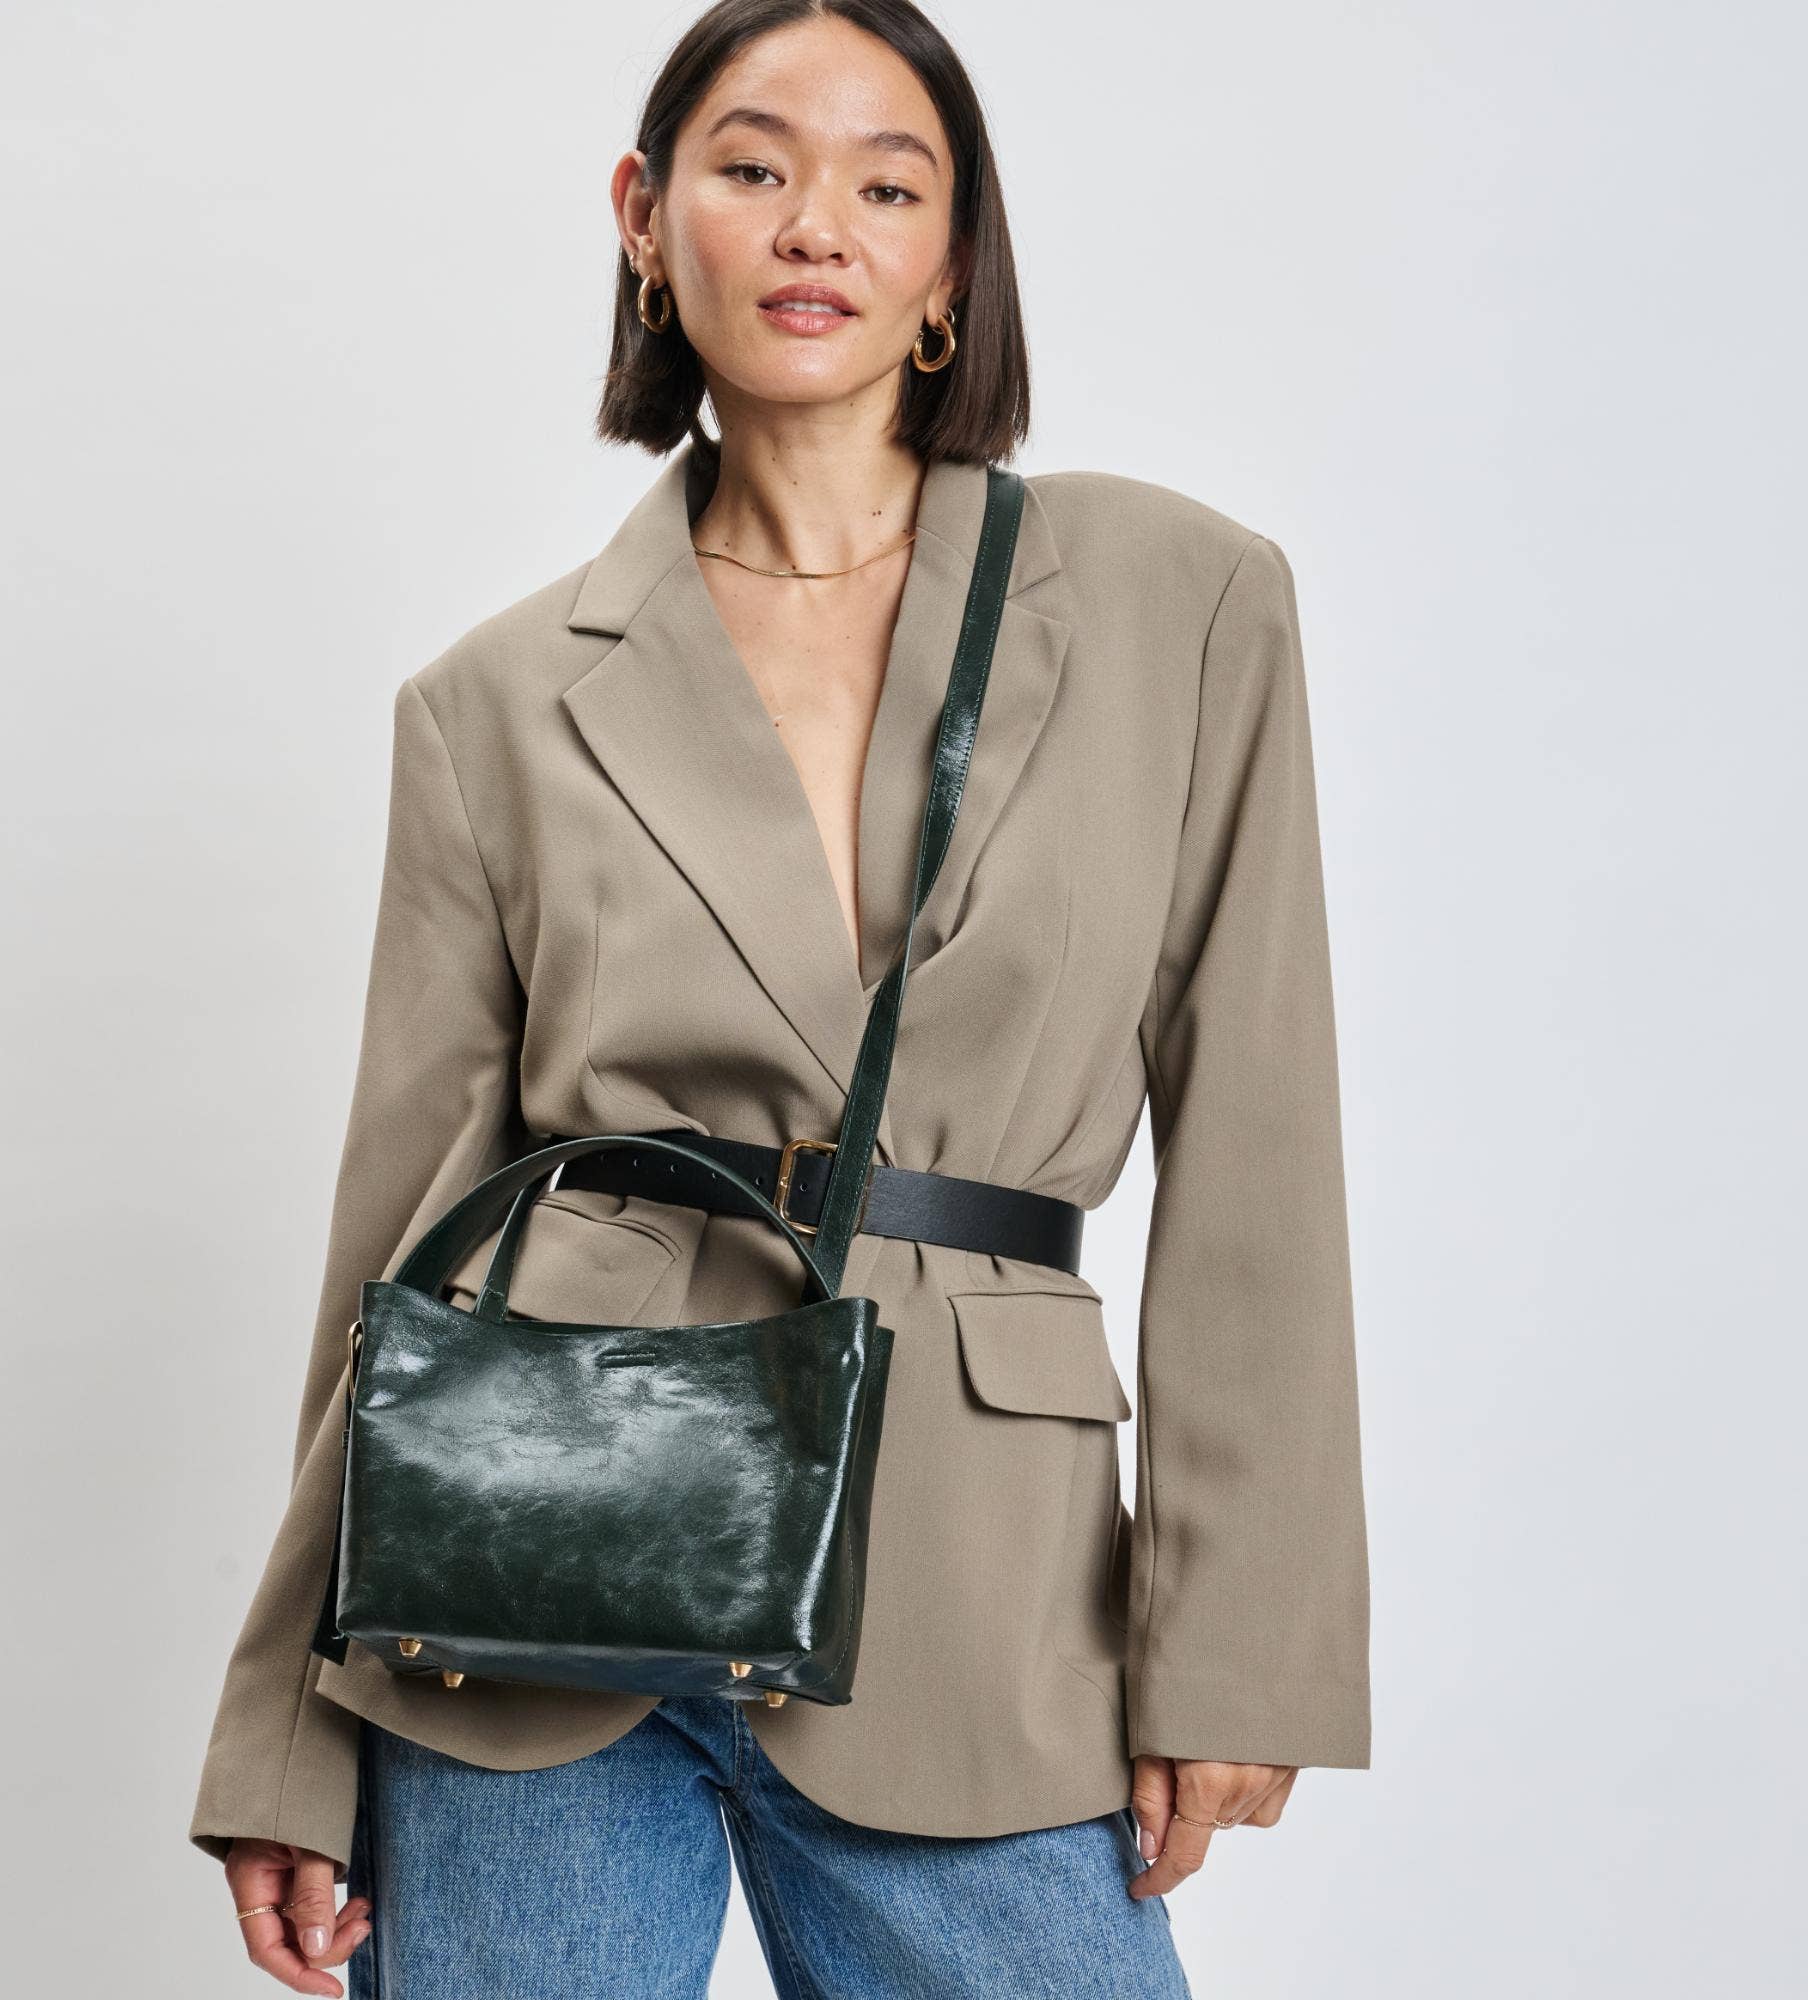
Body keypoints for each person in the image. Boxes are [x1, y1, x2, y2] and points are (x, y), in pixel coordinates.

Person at [189, 1, 1371, 1992]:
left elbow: (1260, 1141)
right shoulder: (495, 702)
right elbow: (400, 1234)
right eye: (752, 168)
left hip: (978, 1582)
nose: (816, 222)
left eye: (885, 185)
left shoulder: (1179, 601)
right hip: (535, 1573)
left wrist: (1238, 1636)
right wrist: (285, 1741)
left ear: (953, 260)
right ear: (646, 221)